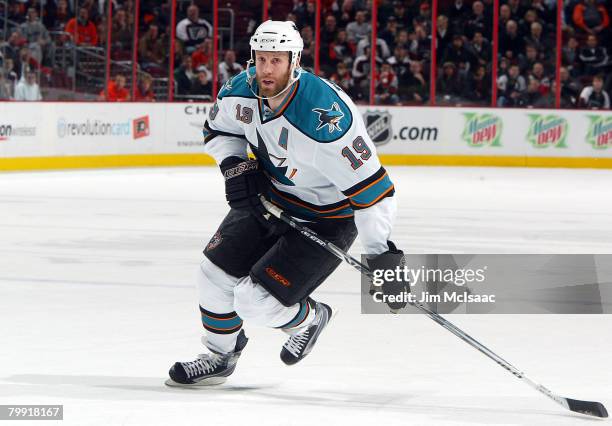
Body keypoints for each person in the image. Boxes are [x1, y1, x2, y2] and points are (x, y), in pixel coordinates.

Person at [166, 20, 402, 387]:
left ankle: (311, 319)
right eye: (260, 59)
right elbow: (218, 131)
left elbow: (372, 191)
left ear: (295, 61)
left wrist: (380, 255)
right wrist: (235, 165)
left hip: (326, 218)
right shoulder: (240, 90)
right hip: (269, 199)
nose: (266, 69)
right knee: (212, 277)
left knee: (253, 300)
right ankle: (218, 355)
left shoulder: (327, 120)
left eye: (276, 60)